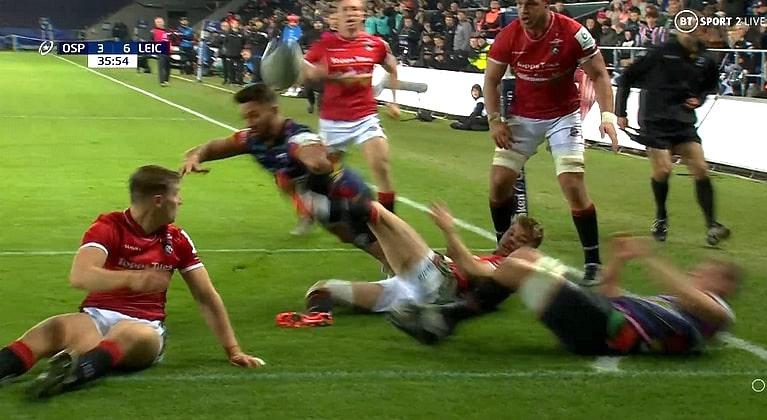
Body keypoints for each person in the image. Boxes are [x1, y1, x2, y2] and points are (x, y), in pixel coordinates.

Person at [0, 166, 264, 398]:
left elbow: (206, 296)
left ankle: (72, 369)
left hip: (145, 327)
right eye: (177, 195)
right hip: (95, 318)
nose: (180, 201)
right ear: (159, 200)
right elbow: (80, 276)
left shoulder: (177, 240)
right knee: (54, 327)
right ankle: (62, 364)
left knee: (129, 333)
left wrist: (233, 350)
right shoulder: (108, 227)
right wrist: (132, 278)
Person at [390, 235, 741, 356]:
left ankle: (444, 319)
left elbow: (688, 294)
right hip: (602, 316)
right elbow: (610, 295)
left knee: (519, 269)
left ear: (722, 286)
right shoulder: (677, 306)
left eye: (706, 272)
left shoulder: (719, 314)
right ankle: (446, 317)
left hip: (602, 332)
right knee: (525, 256)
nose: (696, 272)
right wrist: (619, 260)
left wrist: (649, 256)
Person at [483, 0, 618, 285]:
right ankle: (504, 251)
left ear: (546, 5)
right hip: (523, 117)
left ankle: (593, 262)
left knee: (572, 184)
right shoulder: (508, 36)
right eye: (519, 4)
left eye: (530, 4)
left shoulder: (573, 33)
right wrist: (495, 120)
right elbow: (491, 80)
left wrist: (607, 116)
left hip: (563, 116)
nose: (523, 10)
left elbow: (599, 74)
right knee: (498, 183)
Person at [180, 83, 386, 263]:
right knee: (355, 238)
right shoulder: (251, 139)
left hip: (343, 191)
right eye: (246, 117)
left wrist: (314, 161)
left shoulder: (296, 137)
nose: (249, 123)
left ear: (274, 110)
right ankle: (396, 269)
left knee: (373, 236)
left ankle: (399, 270)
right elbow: (214, 147)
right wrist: (196, 157)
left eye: (254, 115)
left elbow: (314, 156)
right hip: (318, 201)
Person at [275, 201, 543, 328]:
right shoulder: (492, 258)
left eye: (520, 240)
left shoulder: (507, 268)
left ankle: (323, 203)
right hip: (411, 290)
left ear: (529, 250)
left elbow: (474, 270)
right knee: (321, 289)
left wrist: (449, 230)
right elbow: (462, 259)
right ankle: (319, 316)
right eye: (511, 234)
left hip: (437, 283)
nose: (511, 241)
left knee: (375, 211)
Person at [616, 28, 731, 245]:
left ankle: (712, 225)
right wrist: (620, 112)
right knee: (663, 170)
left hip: (683, 121)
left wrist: (699, 99)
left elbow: (709, 86)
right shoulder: (660, 52)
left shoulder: (706, 59)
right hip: (654, 120)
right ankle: (661, 217)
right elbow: (626, 78)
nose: (689, 36)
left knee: (701, 169)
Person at [303, 0, 401, 213]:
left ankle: (390, 223)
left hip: (365, 118)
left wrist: (394, 102)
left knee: (381, 165)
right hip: (333, 121)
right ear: (337, 16)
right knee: (322, 172)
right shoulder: (323, 46)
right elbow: (303, 73)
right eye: (345, 10)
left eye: (355, 9)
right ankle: (310, 207)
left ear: (362, 15)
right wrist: (316, 74)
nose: (351, 14)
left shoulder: (375, 44)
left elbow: (392, 68)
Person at [151, 17, 170, 87]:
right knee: (161, 66)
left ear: (163, 22)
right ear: (155, 23)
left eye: (160, 22)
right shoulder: (154, 31)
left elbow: (169, 39)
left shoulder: (167, 31)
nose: (159, 23)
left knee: (168, 66)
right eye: (157, 22)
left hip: (167, 50)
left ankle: (166, 80)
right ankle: (162, 81)